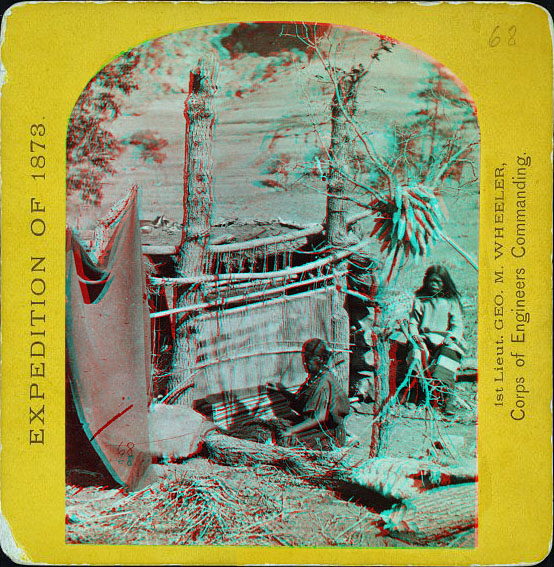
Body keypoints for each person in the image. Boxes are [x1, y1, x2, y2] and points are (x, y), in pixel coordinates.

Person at [267, 338, 350, 450]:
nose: (305, 363)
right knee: (277, 426)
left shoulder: (324, 382)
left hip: (328, 433)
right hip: (317, 426)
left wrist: (291, 430)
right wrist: (282, 391)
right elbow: (300, 400)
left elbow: (319, 417)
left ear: (320, 359)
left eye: (308, 360)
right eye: (304, 359)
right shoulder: (316, 377)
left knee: (286, 440)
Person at [406, 265, 466, 414]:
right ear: (426, 281)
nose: (434, 285)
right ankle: (417, 395)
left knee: (447, 358)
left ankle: (448, 398)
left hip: (445, 339)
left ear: (444, 283)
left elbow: (457, 325)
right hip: (424, 338)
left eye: (438, 282)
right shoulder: (420, 299)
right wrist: (416, 338)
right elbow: (413, 322)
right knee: (417, 355)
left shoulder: (451, 300)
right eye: (431, 281)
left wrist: (451, 337)